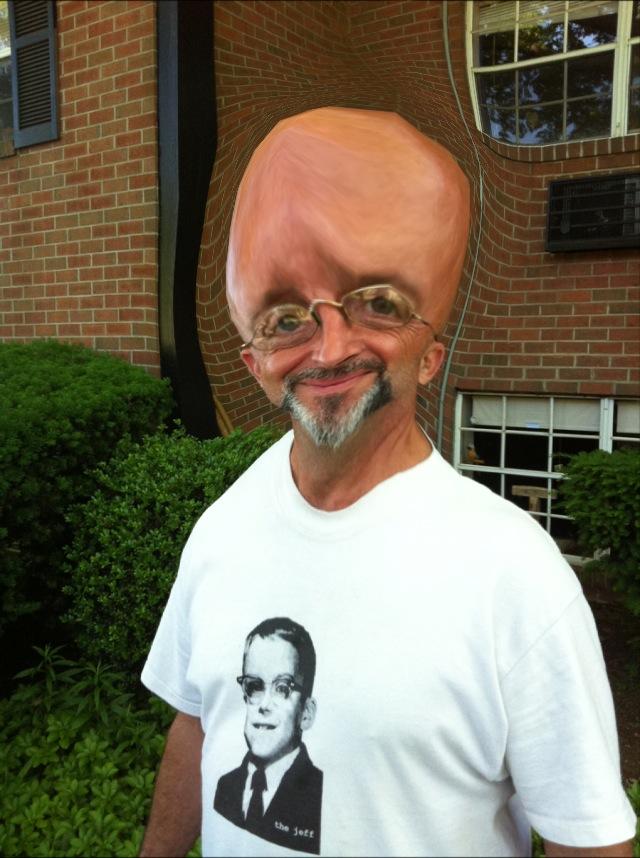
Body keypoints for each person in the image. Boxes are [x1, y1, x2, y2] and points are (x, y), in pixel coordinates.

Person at [140, 107, 636, 857]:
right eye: (287, 319)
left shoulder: (513, 575)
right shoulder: (224, 528)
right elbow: (199, 724)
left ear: (429, 354)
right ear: (257, 365)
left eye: (377, 304)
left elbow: (586, 841)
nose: (328, 348)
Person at [213, 617, 322, 854]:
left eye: (283, 688)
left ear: (306, 712)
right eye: (254, 686)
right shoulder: (225, 786)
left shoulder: (320, 795)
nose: (264, 705)